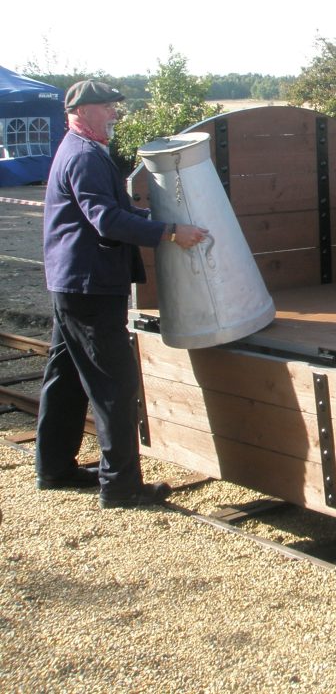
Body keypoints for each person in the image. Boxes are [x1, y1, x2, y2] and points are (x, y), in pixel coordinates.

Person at [36, 79, 207, 508]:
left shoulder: (79, 150)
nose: (115, 114)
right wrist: (168, 232)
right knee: (115, 383)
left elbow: (117, 212)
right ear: (82, 111)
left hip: (73, 282)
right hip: (91, 286)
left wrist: (158, 217)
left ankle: (54, 468)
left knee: (67, 377)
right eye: (108, 106)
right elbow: (106, 220)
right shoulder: (86, 157)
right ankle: (121, 486)